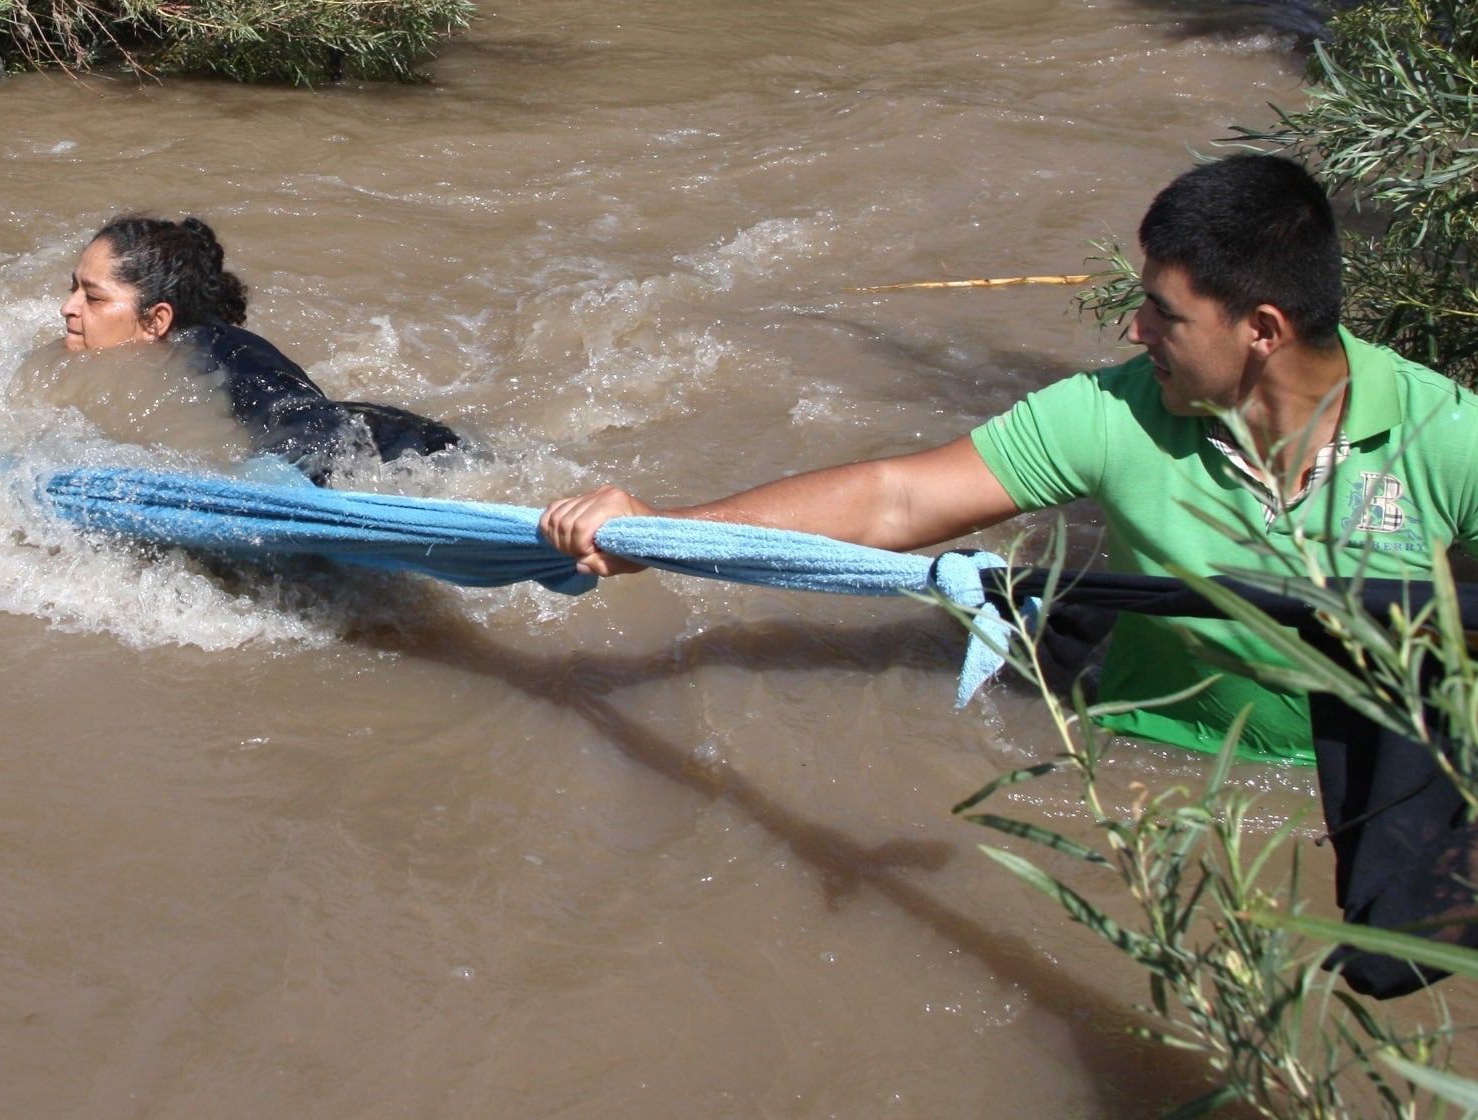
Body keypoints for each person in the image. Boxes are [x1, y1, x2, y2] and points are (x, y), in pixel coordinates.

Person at [541, 157, 1478, 763]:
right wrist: (658, 536)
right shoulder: (1117, 412)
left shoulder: (1446, 438)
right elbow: (895, 500)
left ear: (1264, 329)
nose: (1134, 326)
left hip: (1364, 793)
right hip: (1142, 767)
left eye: (1165, 312)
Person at [61, 215, 458, 480]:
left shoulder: (217, 357)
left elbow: (319, 433)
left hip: (418, 451)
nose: (68, 307)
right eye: (73, 288)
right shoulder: (138, 363)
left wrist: (261, 484)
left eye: (93, 298)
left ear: (155, 321)